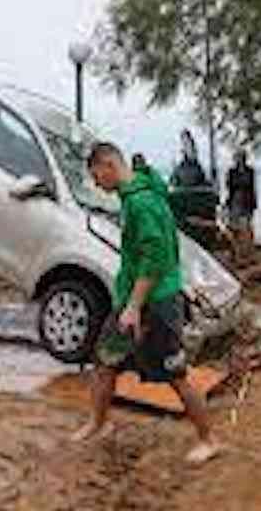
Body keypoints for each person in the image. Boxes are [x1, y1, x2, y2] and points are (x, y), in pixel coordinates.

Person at [73, 142, 221, 465]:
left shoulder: (141, 203)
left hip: (156, 302)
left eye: (96, 176)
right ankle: (99, 423)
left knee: (175, 373)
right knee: (105, 359)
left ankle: (209, 440)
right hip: (130, 298)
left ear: (109, 165)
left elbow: (155, 259)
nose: (96, 184)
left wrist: (134, 307)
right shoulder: (137, 193)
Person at [226, 150, 257, 263]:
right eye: (237, 158)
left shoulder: (250, 171)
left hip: (247, 202)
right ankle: (235, 253)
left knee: (247, 228)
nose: (239, 160)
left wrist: (254, 203)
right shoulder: (232, 171)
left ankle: (248, 253)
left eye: (241, 157)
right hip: (235, 201)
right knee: (234, 228)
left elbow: (252, 187)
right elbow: (229, 186)